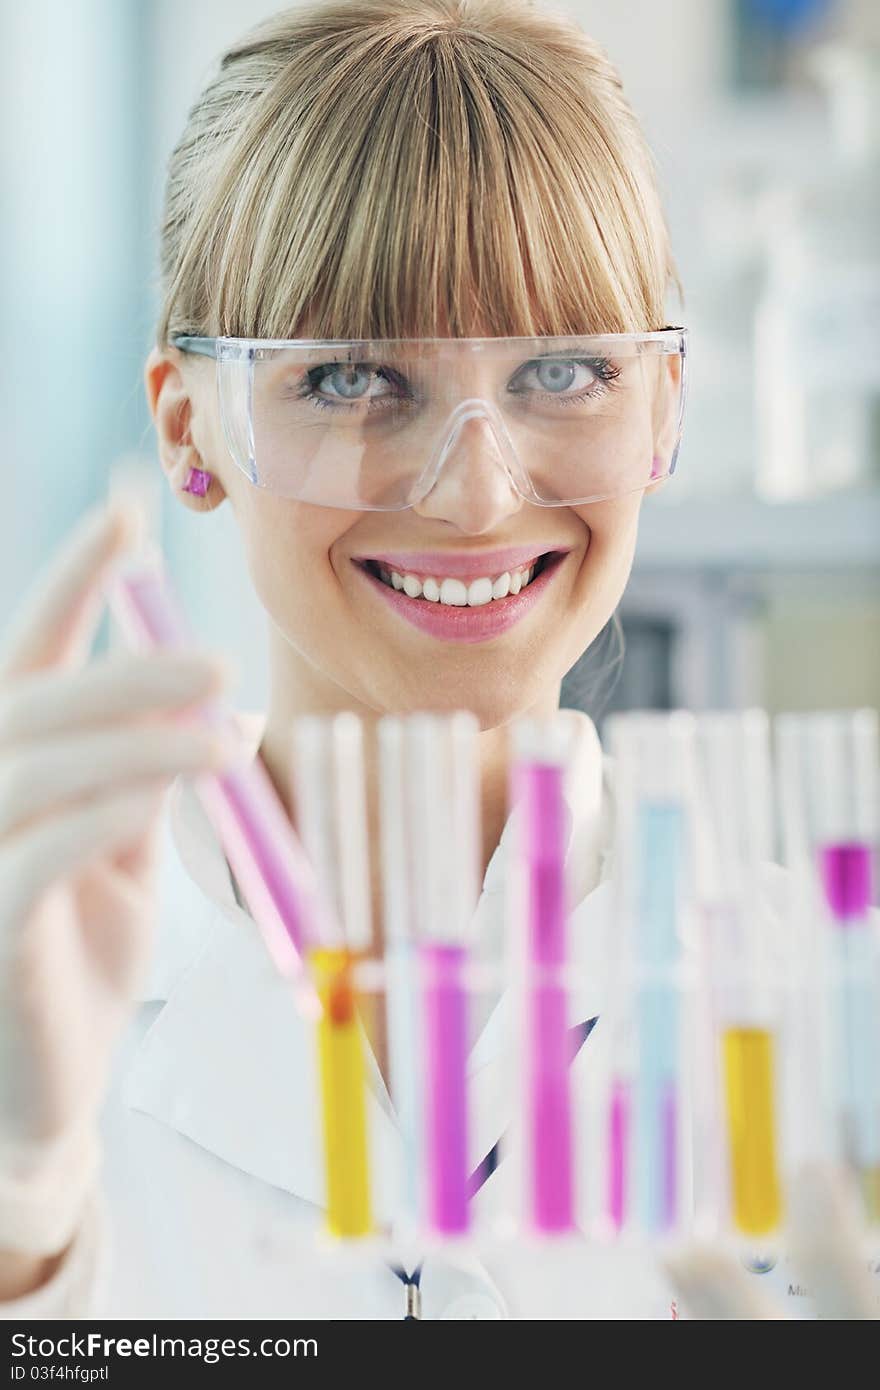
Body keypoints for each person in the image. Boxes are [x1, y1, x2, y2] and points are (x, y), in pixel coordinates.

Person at [0, 0, 875, 1321]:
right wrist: (24, 1231)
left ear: (665, 412)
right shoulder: (42, 998)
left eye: (567, 370)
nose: (476, 496)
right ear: (193, 428)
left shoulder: (817, 997)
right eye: (356, 379)